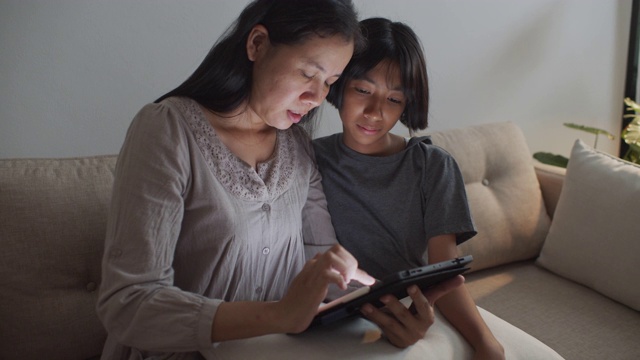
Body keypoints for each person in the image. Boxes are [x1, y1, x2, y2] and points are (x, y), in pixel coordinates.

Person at [95, 1, 377, 359]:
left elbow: (320, 262)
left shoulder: (299, 146)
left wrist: (388, 304)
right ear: (257, 44)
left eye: (329, 83)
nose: (317, 98)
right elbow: (129, 304)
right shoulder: (167, 129)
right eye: (308, 74)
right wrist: (278, 316)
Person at [313, 18, 506, 358]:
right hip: (330, 311)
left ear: (407, 105)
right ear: (339, 84)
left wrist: (486, 344)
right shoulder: (311, 159)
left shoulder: (432, 166)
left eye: (394, 100)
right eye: (363, 90)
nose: (375, 112)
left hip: (408, 305)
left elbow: (444, 269)